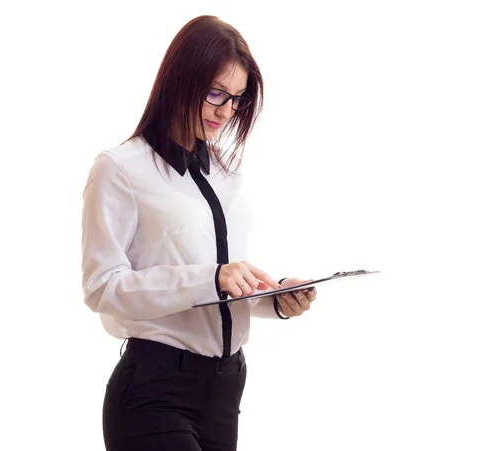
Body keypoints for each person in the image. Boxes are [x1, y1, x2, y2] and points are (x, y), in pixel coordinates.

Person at [81, 15, 317, 451]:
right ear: (180, 79)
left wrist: (275, 297)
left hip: (226, 392)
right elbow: (101, 288)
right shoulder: (119, 169)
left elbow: (218, 290)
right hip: (155, 392)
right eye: (216, 94)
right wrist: (211, 277)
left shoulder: (226, 174)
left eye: (237, 100)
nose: (226, 112)